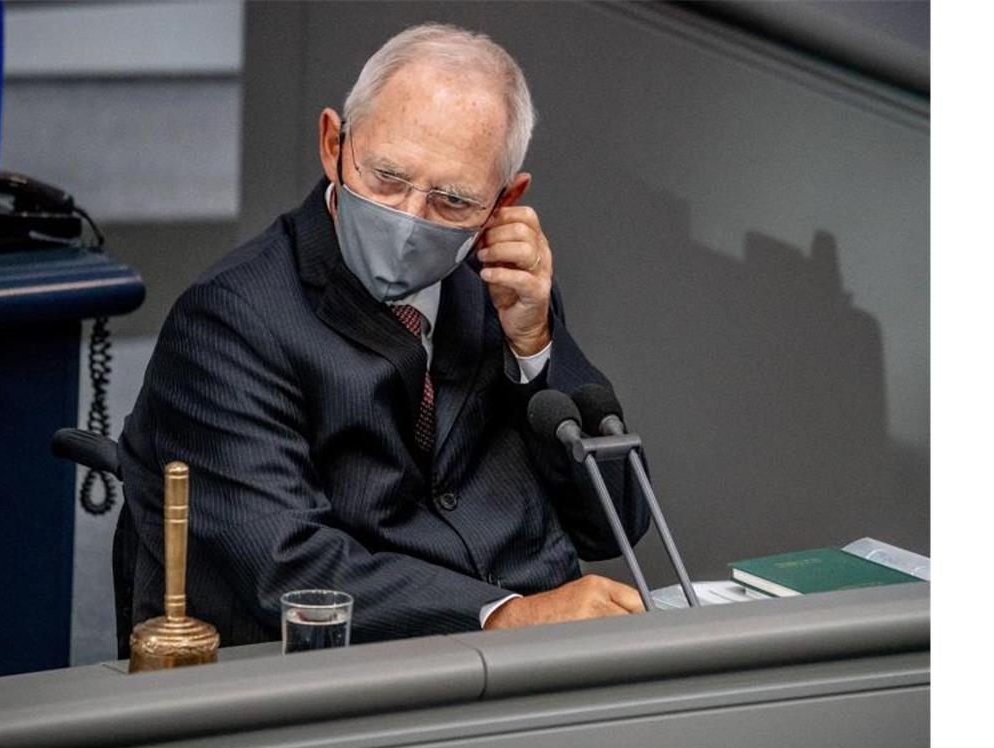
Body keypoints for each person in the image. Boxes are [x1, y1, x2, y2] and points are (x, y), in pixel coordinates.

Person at [116, 22, 650, 651]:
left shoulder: (502, 285)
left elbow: (616, 523)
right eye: (388, 178)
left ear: (504, 201)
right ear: (332, 144)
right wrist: (505, 616)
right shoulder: (229, 320)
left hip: (538, 669)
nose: (408, 219)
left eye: (452, 201)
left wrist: (536, 346)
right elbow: (288, 565)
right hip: (345, 674)